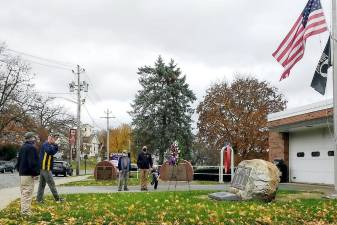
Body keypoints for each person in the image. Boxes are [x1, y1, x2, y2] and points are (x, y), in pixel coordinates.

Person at [16, 132, 40, 216]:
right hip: (28, 174)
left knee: (24, 193)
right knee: (28, 193)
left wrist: (19, 170)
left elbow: (18, 162)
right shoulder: (31, 148)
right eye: (34, 138)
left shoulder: (22, 147)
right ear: (31, 138)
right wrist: (36, 173)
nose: (35, 139)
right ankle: (25, 212)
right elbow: (32, 163)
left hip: (22, 174)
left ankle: (24, 210)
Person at [36, 132, 63, 203]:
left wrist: (55, 145)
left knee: (41, 185)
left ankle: (39, 200)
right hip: (45, 168)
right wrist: (55, 144)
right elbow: (50, 152)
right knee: (51, 184)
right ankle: (57, 199)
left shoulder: (50, 145)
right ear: (50, 138)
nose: (55, 140)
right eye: (54, 139)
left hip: (44, 168)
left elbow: (54, 150)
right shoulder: (46, 145)